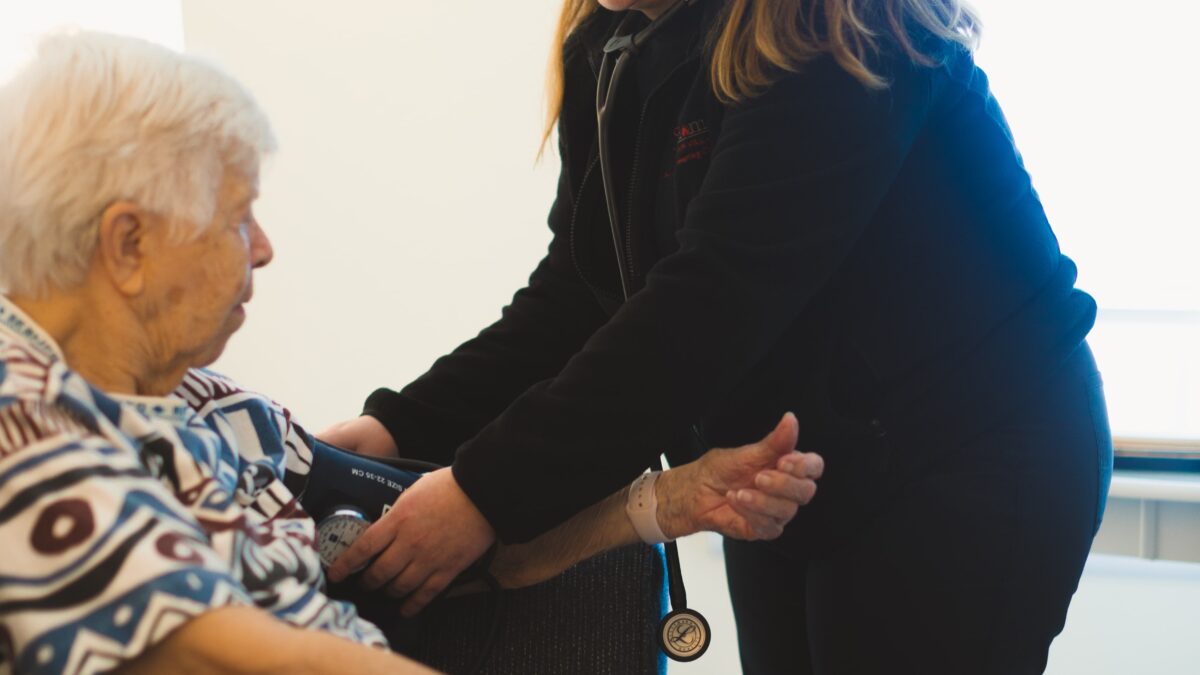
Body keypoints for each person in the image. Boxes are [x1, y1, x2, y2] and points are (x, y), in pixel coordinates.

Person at [322, 0, 1114, 673]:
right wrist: (393, 429)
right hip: (793, 459)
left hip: (967, 453)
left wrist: (482, 493)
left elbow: (713, 298)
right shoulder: (611, 36)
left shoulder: (840, 23)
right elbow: (580, 291)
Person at [0, 30, 824, 675]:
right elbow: (203, 644)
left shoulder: (212, 405)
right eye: (234, 217)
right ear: (128, 244)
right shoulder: (23, 418)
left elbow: (416, 545)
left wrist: (660, 503)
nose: (262, 248)